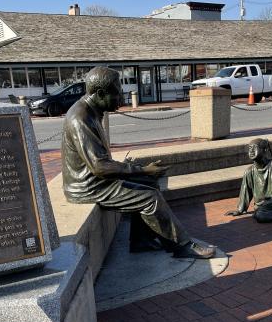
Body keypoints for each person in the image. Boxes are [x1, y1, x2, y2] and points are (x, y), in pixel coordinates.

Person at [61, 66, 215, 259]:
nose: (121, 99)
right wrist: (142, 169)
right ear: (100, 93)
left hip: (95, 180)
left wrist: (145, 173)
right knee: (150, 198)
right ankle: (182, 245)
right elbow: (99, 167)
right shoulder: (81, 118)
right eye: (117, 94)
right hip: (88, 187)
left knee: (150, 184)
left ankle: (141, 242)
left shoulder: (92, 111)